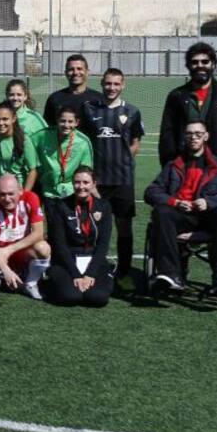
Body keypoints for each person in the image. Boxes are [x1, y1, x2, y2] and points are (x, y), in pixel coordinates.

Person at [144, 120, 217, 297]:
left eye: (198, 134)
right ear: (184, 137)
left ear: (206, 136)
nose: (193, 137)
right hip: (181, 217)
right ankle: (170, 274)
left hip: (209, 219)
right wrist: (174, 202)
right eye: (189, 134)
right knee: (162, 211)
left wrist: (210, 202)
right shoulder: (173, 165)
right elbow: (151, 191)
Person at [82, 69, 145, 282]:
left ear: (123, 85)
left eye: (116, 84)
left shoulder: (132, 111)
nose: (112, 88)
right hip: (98, 182)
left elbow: (136, 140)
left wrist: (125, 157)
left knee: (123, 225)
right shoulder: (89, 109)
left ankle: (123, 269)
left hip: (123, 179)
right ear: (102, 83)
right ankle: (93, 266)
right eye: (108, 83)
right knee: (95, 225)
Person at [158, 42, 217, 168]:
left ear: (213, 64)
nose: (200, 66)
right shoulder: (176, 96)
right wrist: (171, 166)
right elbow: (167, 135)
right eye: (195, 62)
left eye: (205, 61)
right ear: (188, 66)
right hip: (184, 167)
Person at [43, 166, 114, 307]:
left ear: (94, 184)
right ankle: (47, 283)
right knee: (71, 297)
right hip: (67, 260)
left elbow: (103, 244)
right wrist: (75, 274)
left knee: (97, 298)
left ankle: (107, 278)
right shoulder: (61, 206)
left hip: (92, 259)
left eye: (86, 182)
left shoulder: (103, 206)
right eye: (77, 182)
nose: (81, 186)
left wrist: (91, 273)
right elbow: (60, 245)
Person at [0, 174, 50, 300]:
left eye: (11, 194)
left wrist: (10, 250)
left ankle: (31, 283)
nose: (7, 199)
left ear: (20, 190)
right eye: (2, 194)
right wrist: (6, 271)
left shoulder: (31, 198)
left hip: (19, 251)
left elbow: (39, 233)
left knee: (44, 248)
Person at [0, 104, 38, 208]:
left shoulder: (24, 140)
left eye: (5, 119)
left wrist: (23, 194)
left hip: (16, 192)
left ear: (13, 119)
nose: (1, 123)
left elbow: (33, 170)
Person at [34, 106, 94, 203]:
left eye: (70, 122)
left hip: (72, 191)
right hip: (49, 191)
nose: (66, 125)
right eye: (62, 121)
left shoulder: (83, 141)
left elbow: (86, 170)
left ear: (76, 123)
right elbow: (27, 144)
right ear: (57, 120)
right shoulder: (43, 135)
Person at [43, 54, 105, 126]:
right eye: (71, 69)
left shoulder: (99, 99)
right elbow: (48, 128)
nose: (75, 73)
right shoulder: (54, 98)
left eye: (79, 69)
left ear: (87, 72)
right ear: (66, 73)